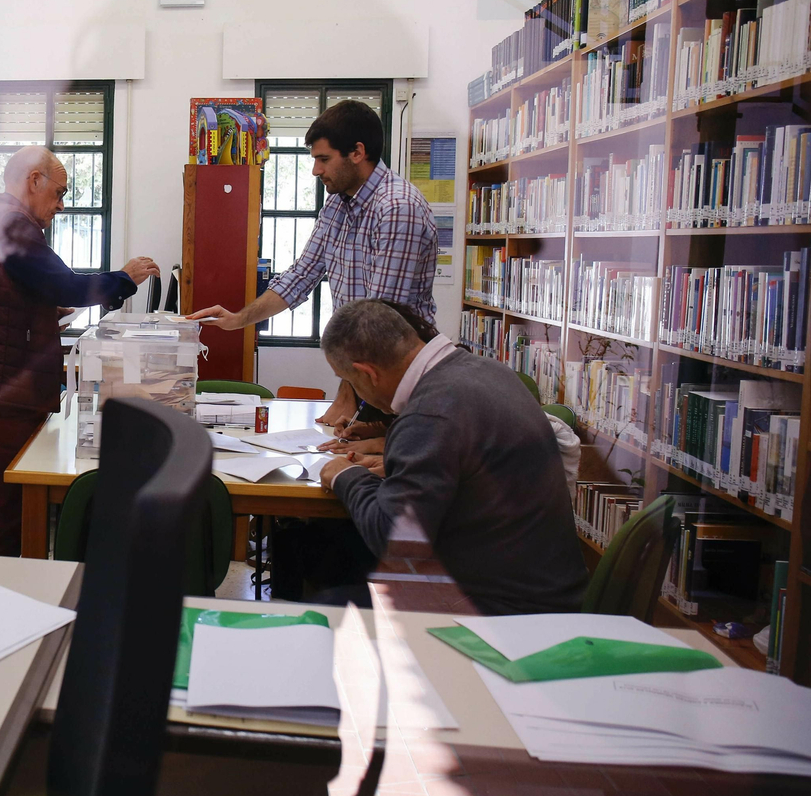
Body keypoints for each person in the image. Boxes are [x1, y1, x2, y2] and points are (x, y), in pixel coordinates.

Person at [0, 145, 159, 556]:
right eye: (58, 193)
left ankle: (7, 595)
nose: (60, 205)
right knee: (4, 508)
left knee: (6, 503)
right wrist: (124, 279)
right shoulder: (13, 225)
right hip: (3, 386)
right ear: (34, 181)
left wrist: (42, 308)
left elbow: (11, 291)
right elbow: (66, 284)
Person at [316, 299, 587, 616]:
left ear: (367, 373)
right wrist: (396, 468)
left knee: (325, 602)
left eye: (350, 382)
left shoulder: (429, 413)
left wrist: (343, 474)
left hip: (500, 610)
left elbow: (391, 537)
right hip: (545, 588)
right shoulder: (488, 371)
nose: (356, 392)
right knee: (334, 551)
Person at [187, 99, 438, 429]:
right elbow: (301, 275)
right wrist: (239, 320)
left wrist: (348, 396)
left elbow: (379, 320)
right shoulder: (338, 205)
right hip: (367, 376)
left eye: (323, 159)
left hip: (398, 377)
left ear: (357, 152)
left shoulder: (397, 208)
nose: (316, 170)